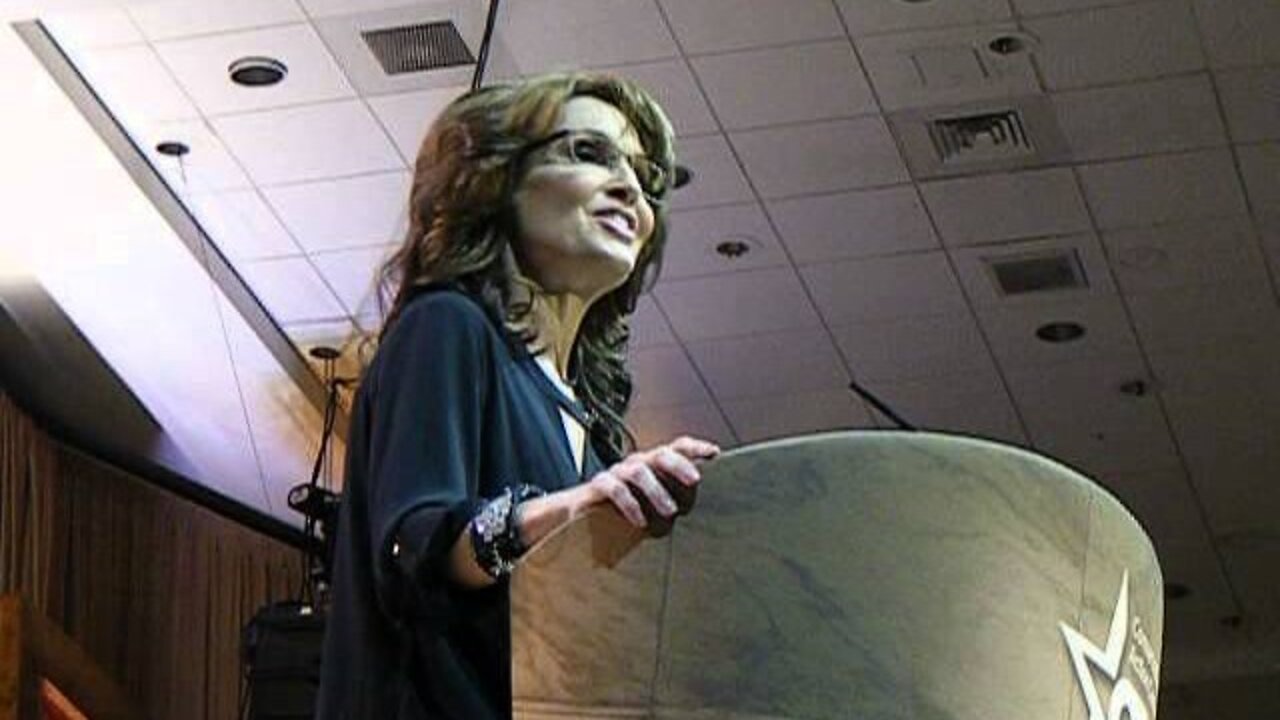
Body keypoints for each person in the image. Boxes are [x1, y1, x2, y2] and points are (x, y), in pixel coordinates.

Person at [315, 72, 721, 719]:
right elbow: (414, 547)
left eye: (645, 179)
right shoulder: (446, 325)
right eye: (588, 153)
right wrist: (566, 514)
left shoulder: (592, 429)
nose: (631, 191)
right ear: (496, 179)